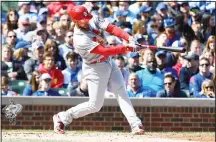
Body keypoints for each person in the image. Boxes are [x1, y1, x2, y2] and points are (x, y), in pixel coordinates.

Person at [53, 5, 144, 135]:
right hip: (94, 68)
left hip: (108, 62)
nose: (87, 20)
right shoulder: (80, 38)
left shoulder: (91, 18)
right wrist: (126, 48)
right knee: (95, 105)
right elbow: (104, 51)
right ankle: (62, 117)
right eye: (83, 19)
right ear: (76, 21)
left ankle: (136, 124)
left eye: (87, 16)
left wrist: (128, 38)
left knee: (121, 92)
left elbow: (112, 28)